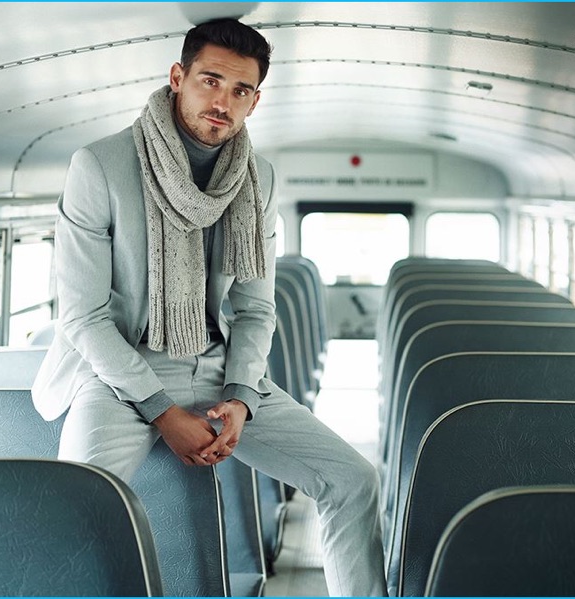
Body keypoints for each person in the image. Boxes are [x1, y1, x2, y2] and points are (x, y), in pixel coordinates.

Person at [31, 18, 387, 597]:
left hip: (221, 368)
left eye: (240, 90)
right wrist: (162, 412)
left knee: (353, 479)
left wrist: (244, 398)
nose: (223, 101)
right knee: (76, 508)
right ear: (178, 77)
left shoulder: (259, 178)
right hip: (119, 373)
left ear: (255, 100)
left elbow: (253, 308)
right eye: (210, 80)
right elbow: (82, 315)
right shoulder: (99, 166)